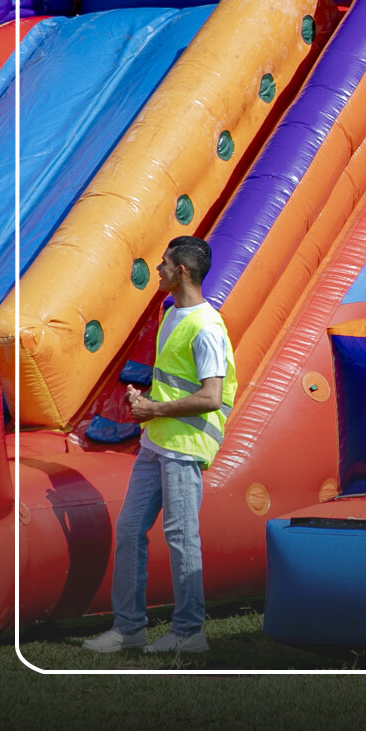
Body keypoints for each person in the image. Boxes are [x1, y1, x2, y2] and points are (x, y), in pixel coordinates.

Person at [83, 236, 238, 655]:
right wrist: (145, 403)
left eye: (164, 263)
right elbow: (174, 384)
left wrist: (155, 409)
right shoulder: (172, 314)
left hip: (184, 446)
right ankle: (129, 629)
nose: (158, 268)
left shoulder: (206, 328)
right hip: (157, 442)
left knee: (181, 536)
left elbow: (211, 396)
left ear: (181, 271)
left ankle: (189, 633)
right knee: (130, 529)